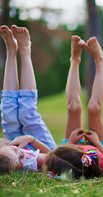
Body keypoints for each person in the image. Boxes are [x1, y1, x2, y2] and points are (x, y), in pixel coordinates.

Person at [42, 36, 103, 179]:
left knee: (73, 107)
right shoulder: (100, 165)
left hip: (70, 148)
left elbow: (55, 155)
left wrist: (70, 142)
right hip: (99, 148)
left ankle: (74, 59)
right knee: (94, 108)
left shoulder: (65, 164)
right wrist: (97, 144)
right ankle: (100, 61)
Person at [0, 25, 57, 172]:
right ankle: (25, 50)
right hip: (44, 147)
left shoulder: (9, 156)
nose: (22, 156)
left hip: (11, 146)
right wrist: (31, 139)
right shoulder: (27, 160)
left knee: (8, 113)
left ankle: (11, 50)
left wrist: (8, 146)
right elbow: (54, 157)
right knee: (27, 113)